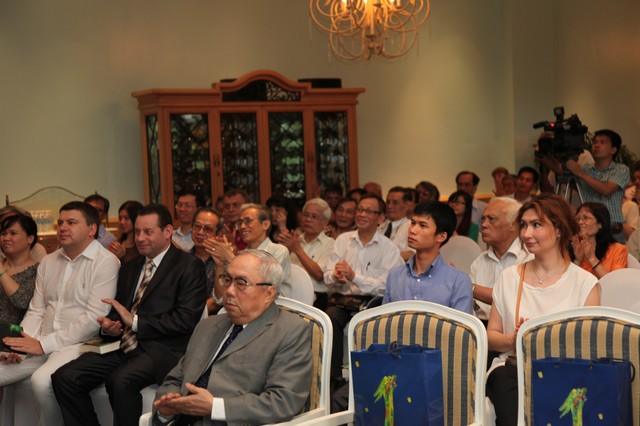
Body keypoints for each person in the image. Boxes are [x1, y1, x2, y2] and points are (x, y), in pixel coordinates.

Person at [51, 204, 207, 426]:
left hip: (164, 349)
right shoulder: (130, 267)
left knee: (120, 381)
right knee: (65, 377)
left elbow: (185, 320)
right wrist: (111, 326)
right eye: (137, 231)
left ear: (167, 231)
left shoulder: (189, 266)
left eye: (148, 232)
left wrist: (134, 322)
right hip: (123, 345)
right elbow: (120, 312)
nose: (140, 238)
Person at [151, 250, 313, 425]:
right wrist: (166, 408)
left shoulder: (290, 331)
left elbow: (283, 401)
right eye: (227, 280)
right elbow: (176, 378)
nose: (229, 291)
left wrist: (216, 407)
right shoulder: (207, 326)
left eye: (241, 283)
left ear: (269, 293)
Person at [0, 201, 119, 426]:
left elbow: (93, 318)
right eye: (60, 222)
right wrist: (19, 345)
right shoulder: (49, 261)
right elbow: (36, 310)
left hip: (77, 345)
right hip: (40, 340)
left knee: (41, 382)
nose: (63, 227)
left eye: (71, 222)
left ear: (92, 229)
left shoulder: (106, 262)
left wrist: (43, 345)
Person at [486, 194, 600, 425]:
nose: (527, 234)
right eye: (524, 225)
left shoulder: (584, 283)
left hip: (563, 370)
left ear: (558, 229)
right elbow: (491, 337)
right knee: (502, 378)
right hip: (514, 370)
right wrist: (513, 339)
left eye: (536, 225)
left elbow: (589, 348)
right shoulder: (509, 278)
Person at [324, 194, 403, 382]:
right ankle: (334, 378)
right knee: (330, 318)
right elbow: (326, 276)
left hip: (372, 303)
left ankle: (368, 379)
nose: (361, 214)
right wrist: (335, 276)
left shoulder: (389, 248)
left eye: (368, 211)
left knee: (371, 321)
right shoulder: (343, 240)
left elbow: (385, 286)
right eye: (359, 210)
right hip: (344, 300)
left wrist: (354, 277)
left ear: (380, 218)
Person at [383, 201, 473, 313]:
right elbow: (384, 320)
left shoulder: (458, 281)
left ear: (441, 236)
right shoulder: (395, 276)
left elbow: (460, 324)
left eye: (423, 225)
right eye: (413, 223)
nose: (412, 230)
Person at [205, 203, 292, 297]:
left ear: (265, 224)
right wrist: (220, 265)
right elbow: (220, 298)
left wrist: (230, 258)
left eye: (248, 221)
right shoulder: (240, 254)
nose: (242, 226)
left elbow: (261, 286)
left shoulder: (279, 251)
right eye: (240, 223)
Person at [470, 197, 532, 324]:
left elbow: (513, 299)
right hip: (480, 325)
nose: (483, 225)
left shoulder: (529, 257)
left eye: (491, 219)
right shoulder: (480, 260)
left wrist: (468, 287)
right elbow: (470, 304)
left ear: (513, 225)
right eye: (483, 219)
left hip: (515, 327)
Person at [565, 129, 630, 242]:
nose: (597, 145)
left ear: (613, 149)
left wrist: (580, 173)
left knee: (615, 254)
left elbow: (606, 190)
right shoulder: (586, 169)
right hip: (588, 227)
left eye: (602, 142)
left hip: (612, 226)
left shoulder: (621, 169)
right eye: (595, 142)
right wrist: (545, 158)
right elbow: (561, 172)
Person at [278, 198, 335, 311]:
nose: (308, 219)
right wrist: (286, 249)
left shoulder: (330, 244)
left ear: (325, 222)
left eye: (314, 217)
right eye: (306, 215)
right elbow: (277, 270)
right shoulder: (294, 239)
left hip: (316, 298)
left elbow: (319, 275)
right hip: (288, 294)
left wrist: (297, 249)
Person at [0, 214, 39, 325]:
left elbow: (23, 302)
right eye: (3, 233)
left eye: (13, 233)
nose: (6, 238)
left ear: (30, 238)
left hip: (17, 332)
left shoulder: (38, 270)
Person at [572, 202, 628, 278]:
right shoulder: (575, 248)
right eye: (578, 218)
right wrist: (577, 260)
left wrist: (592, 259)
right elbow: (568, 283)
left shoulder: (617, 249)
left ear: (600, 224)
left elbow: (616, 283)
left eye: (586, 218)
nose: (580, 222)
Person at [190, 207, 224, 315]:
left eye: (207, 229)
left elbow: (219, 301)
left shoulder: (223, 262)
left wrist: (191, 312)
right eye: (197, 226)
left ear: (218, 234)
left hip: (212, 319)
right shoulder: (181, 259)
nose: (200, 232)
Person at [379, 186, 414, 261]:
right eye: (388, 202)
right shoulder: (380, 227)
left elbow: (412, 254)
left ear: (407, 205)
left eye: (395, 203)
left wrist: (385, 256)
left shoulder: (411, 227)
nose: (389, 206)